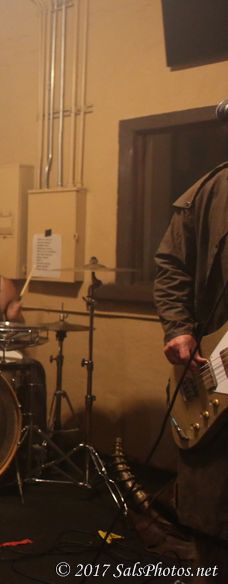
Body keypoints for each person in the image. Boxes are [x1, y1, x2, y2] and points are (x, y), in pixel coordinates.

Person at [153, 161, 228, 583]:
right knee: (211, 519)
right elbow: (171, 264)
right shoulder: (211, 189)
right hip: (213, 374)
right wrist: (179, 328)